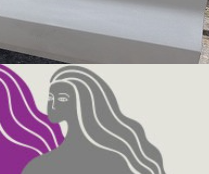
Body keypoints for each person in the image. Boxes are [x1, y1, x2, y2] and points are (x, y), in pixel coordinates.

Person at [23, 66, 164, 174]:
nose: (52, 105)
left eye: (62, 99)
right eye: (50, 98)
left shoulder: (116, 162)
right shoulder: (40, 164)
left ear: (85, 103)